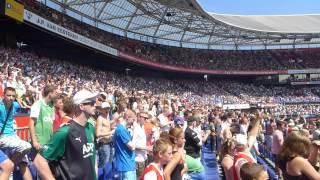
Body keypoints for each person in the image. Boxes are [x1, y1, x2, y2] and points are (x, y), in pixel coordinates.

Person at [33, 90, 98, 180]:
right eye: (91, 103)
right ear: (81, 106)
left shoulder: (90, 128)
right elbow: (39, 161)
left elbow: (92, 157)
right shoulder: (65, 132)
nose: (95, 105)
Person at [0, 87, 32, 179]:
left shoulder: (15, 105)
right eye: (8, 95)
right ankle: (10, 166)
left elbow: (22, 105)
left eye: (13, 96)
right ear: (3, 96)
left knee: (23, 162)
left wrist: (20, 100)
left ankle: (10, 166)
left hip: (13, 136)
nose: (11, 98)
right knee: (26, 146)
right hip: (3, 136)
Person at [29, 85, 57, 151]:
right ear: (50, 93)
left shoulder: (52, 107)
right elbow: (31, 124)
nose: (56, 95)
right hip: (38, 142)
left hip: (48, 142)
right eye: (55, 93)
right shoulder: (38, 104)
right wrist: (34, 141)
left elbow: (51, 125)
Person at [114, 109, 137, 180]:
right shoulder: (121, 130)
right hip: (125, 166)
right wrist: (136, 132)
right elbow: (132, 147)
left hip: (129, 164)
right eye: (133, 120)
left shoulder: (124, 129)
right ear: (127, 118)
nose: (133, 122)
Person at [96, 102, 114, 168]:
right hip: (104, 145)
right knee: (104, 166)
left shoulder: (107, 117)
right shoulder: (100, 119)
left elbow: (107, 126)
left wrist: (116, 120)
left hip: (110, 144)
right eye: (106, 108)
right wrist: (110, 133)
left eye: (108, 108)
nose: (107, 110)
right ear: (102, 109)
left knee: (109, 165)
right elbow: (97, 134)